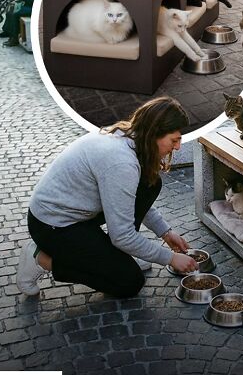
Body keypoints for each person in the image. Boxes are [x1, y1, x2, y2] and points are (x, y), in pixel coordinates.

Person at [16, 97, 198, 297]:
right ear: (154, 133)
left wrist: (166, 232)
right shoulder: (121, 163)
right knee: (129, 282)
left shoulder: (129, 137)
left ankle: (120, 255)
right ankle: (39, 258)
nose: (178, 147)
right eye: (174, 140)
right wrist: (170, 258)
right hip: (52, 225)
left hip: (78, 211)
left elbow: (130, 197)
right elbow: (122, 236)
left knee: (150, 184)